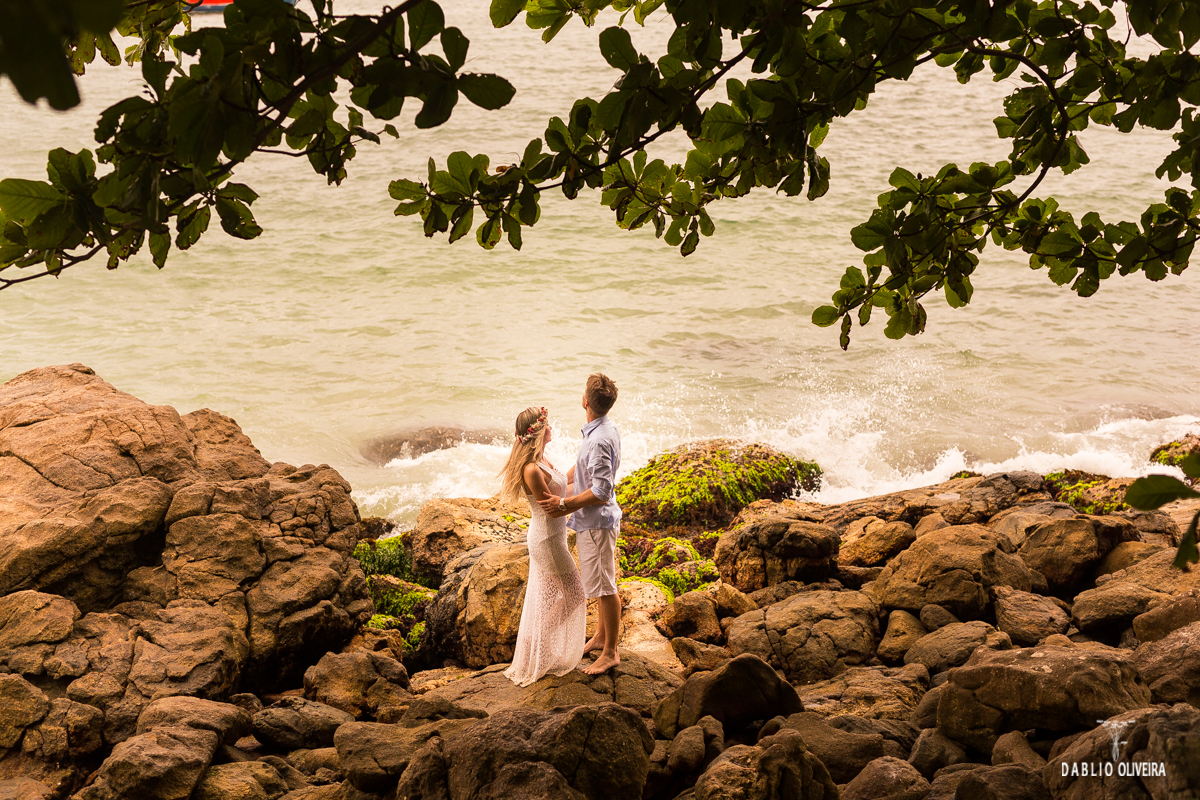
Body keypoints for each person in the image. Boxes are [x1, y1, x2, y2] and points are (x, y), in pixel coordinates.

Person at [539, 373, 622, 675]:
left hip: (597, 523)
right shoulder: (602, 429)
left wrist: (563, 504)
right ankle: (600, 636)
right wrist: (560, 480)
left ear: (585, 400)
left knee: (605, 587)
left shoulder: (598, 439)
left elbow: (601, 491)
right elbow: (585, 468)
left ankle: (611, 652)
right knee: (599, 582)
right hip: (596, 521)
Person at [499, 406, 586, 687]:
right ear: (537, 432)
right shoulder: (531, 469)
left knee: (552, 599)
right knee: (575, 594)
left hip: (552, 538)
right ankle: (536, 642)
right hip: (547, 540)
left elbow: (562, 487)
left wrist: (586, 468)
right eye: (546, 425)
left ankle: (538, 646)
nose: (551, 428)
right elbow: (553, 507)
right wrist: (589, 497)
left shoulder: (542, 459)